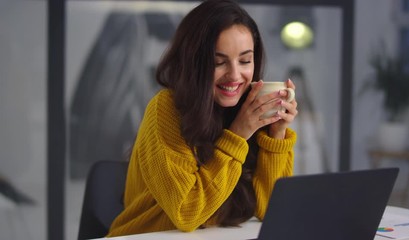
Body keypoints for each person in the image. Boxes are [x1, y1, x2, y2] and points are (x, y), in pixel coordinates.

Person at [107, 0, 298, 237]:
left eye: (245, 60)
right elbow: (187, 213)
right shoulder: (165, 109)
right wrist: (238, 134)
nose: (235, 75)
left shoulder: (249, 110)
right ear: (193, 62)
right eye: (218, 62)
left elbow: (271, 213)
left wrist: (275, 136)